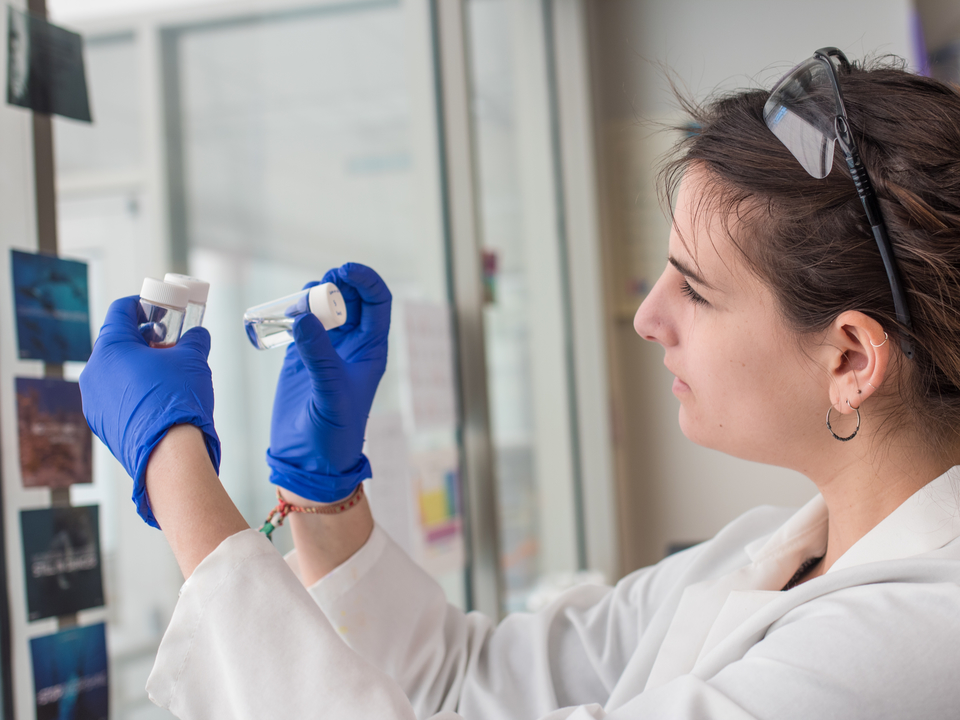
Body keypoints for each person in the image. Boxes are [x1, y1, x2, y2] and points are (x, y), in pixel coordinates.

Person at [79, 49, 960, 719]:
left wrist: (173, 467)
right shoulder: (766, 549)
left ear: (849, 358)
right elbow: (465, 685)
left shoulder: (912, 642)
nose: (649, 316)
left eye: (694, 287)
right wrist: (327, 497)